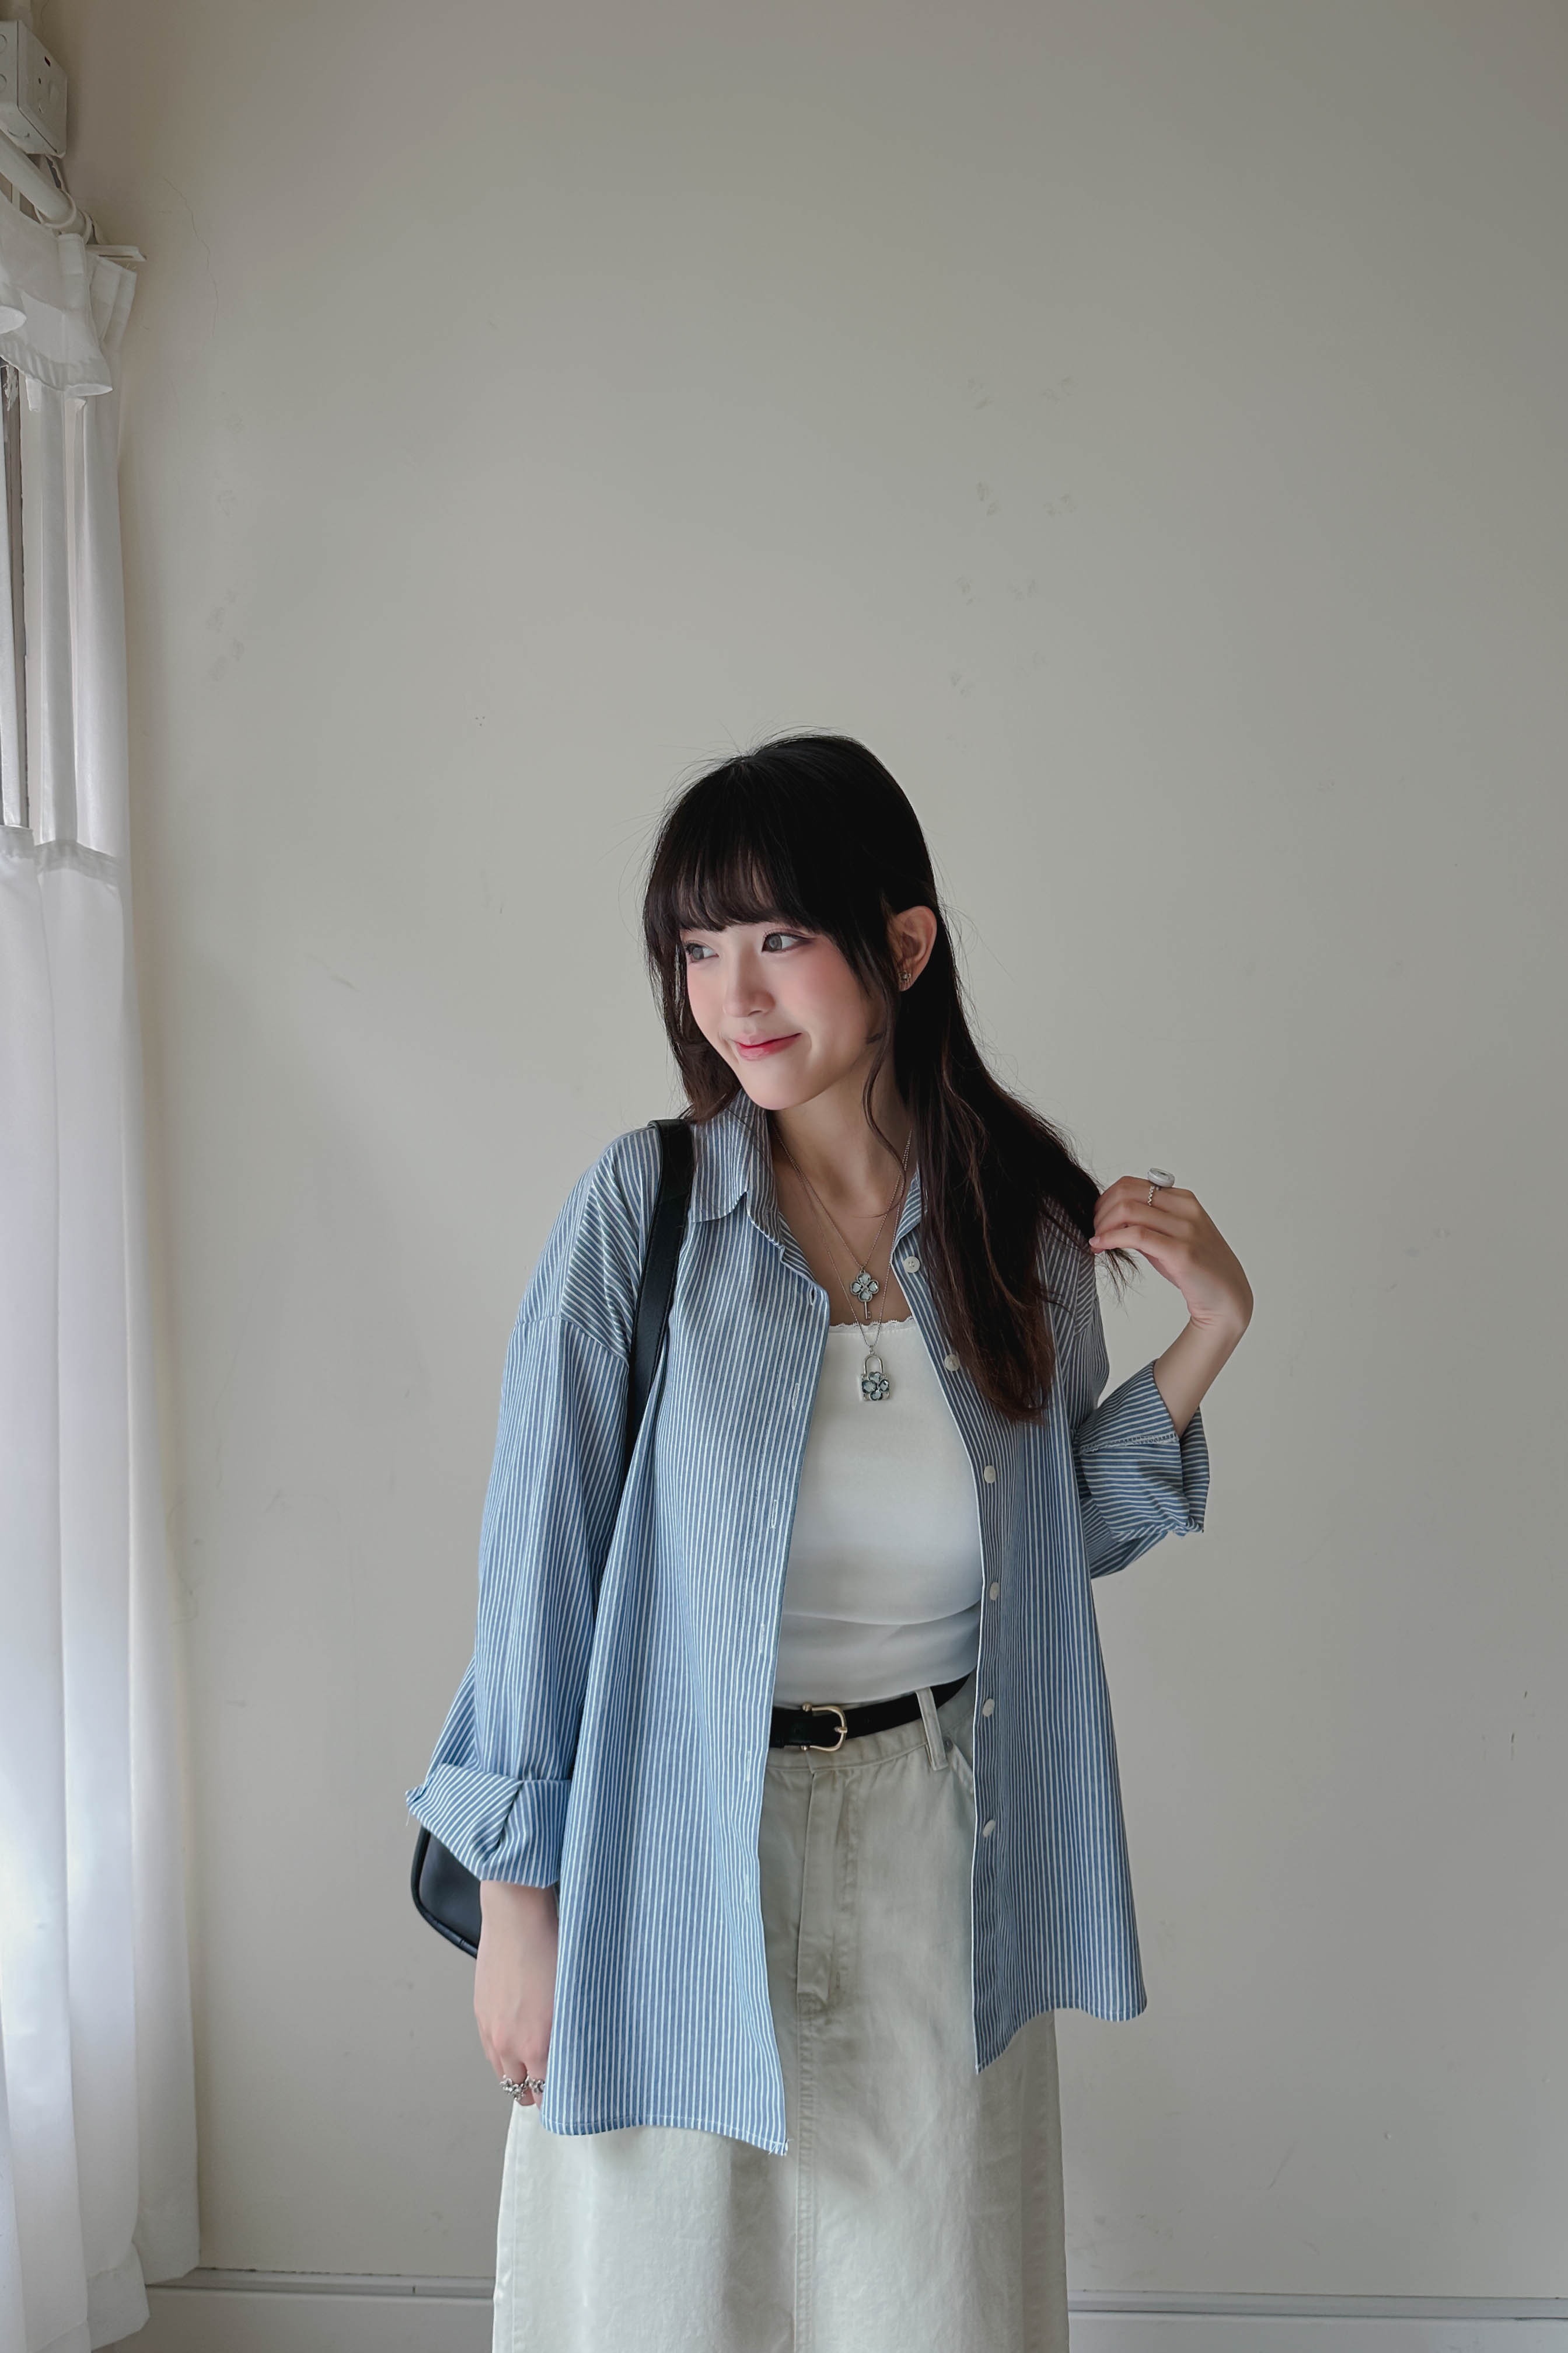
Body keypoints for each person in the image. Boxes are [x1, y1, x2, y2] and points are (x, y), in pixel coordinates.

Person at [405, 731, 1253, 2352]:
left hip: (938, 1837)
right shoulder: (647, 1210)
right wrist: (519, 1911)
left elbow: (1043, 1550)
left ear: (905, 946)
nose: (733, 993)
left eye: (781, 937)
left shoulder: (1017, 1226)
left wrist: (1207, 1336)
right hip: (669, 1838)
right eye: (697, 948)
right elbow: (538, 1574)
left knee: (933, 2300)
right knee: (658, 2300)